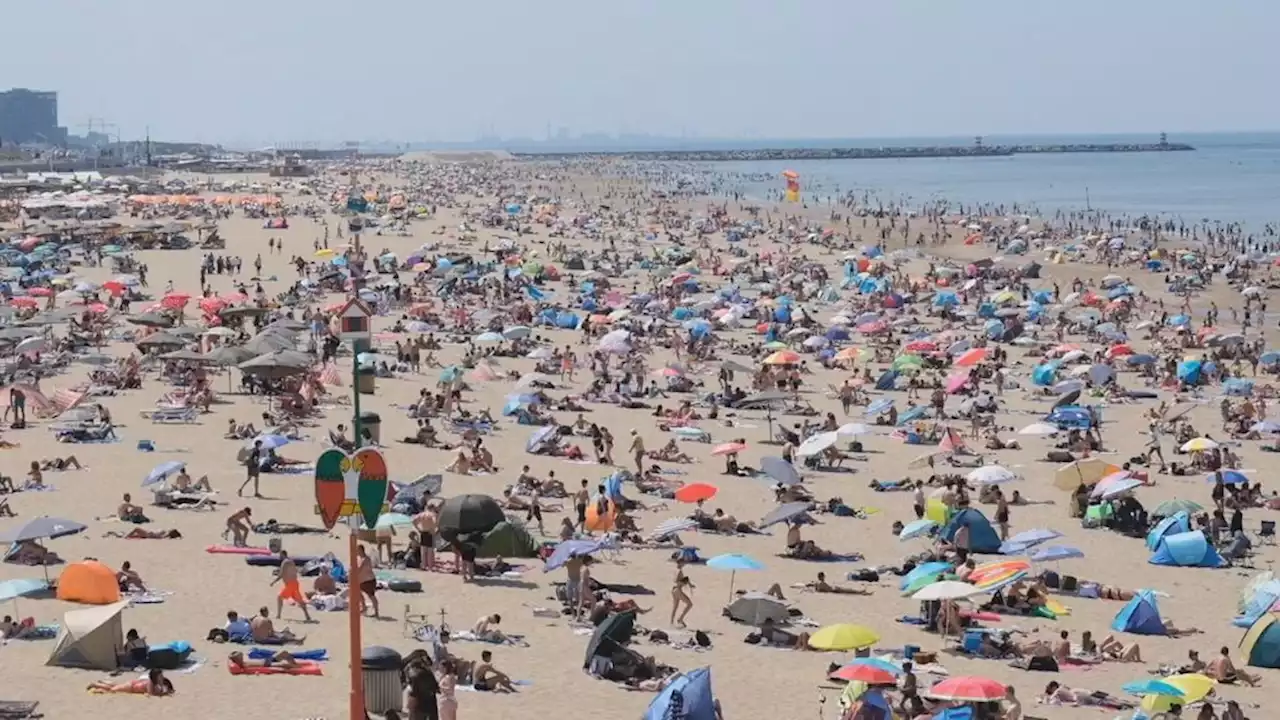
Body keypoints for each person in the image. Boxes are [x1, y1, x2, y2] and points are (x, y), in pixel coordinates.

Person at [272, 551, 313, 622]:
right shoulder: (291, 561)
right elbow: (294, 572)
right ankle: (307, 616)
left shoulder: (284, 562)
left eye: (280, 555)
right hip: (294, 583)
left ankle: (278, 615)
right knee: (299, 600)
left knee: (279, 597)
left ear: (283, 555)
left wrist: (273, 582)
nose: (279, 556)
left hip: (290, 585)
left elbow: (281, 574)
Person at [88, 668, 173, 696]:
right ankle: (96, 685)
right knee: (112, 689)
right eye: (160, 676)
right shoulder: (150, 683)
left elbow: (165, 686)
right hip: (131, 687)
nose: (162, 677)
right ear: (155, 677)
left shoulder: (157, 682)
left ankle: (102, 682)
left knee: (116, 685)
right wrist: (163, 693)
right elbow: (150, 694)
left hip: (133, 684)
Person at [355, 544, 381, 618]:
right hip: (362, 581)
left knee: (371, 596)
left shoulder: (366, 559)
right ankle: (364, 607)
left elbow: (359, 569)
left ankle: (376, 612)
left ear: (360, 550)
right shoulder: (360, 558)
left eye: (357, 550)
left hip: (368, 581)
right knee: (357, 592)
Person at [413, 502, 438, 570]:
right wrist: (433, 529)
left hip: (423, 532)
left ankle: (423, 565)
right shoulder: (432, 514)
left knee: (423, 550)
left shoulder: (422, 514)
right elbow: (435, 522)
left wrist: (418, 529)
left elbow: (414, 521)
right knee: (430, 550)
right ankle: (430, 566)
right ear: (432, 508)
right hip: (429, 532)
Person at [671, 560, 694, 628]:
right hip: (678, 590)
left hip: (674, 590)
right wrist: (684, 582)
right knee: (689, 604)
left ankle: (671, 622)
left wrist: (688, 583)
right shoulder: (679, 571)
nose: (684, 564)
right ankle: (680, 619)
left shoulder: (676, 570)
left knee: (675, 607)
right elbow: (677, 581)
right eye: (683, 562)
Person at [228, 650, 302, 669]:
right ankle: (297, 668)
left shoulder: (242, 661)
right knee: (284, 664)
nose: (241, 656)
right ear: (237, 659)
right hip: (267, 664)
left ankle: (295, 665)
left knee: (284, 652)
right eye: (239, 656)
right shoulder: (243, 665)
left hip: (266, 660)